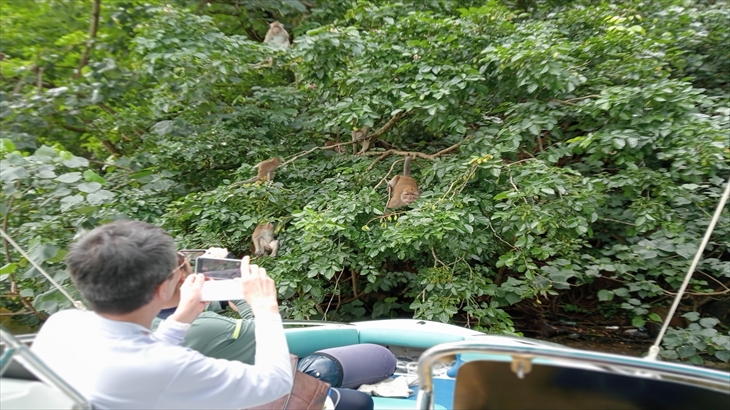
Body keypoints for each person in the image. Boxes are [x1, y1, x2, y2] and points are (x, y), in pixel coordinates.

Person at [30, 220, 293, 409]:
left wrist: (180, 319)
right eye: (179, 267)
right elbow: (275, 383)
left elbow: (136, 353)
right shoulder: (169, 365)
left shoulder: (63, 324)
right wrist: (264, 306)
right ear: (161, 289)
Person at [153, 249, 374, 410]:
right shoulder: (205, 327)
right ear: (181, 276)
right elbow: (266, 333)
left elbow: (199, 307)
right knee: (363, 390)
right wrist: (250, 291)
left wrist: (224, 291)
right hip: (258, 391)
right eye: (184, 259)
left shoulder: (145, 329)